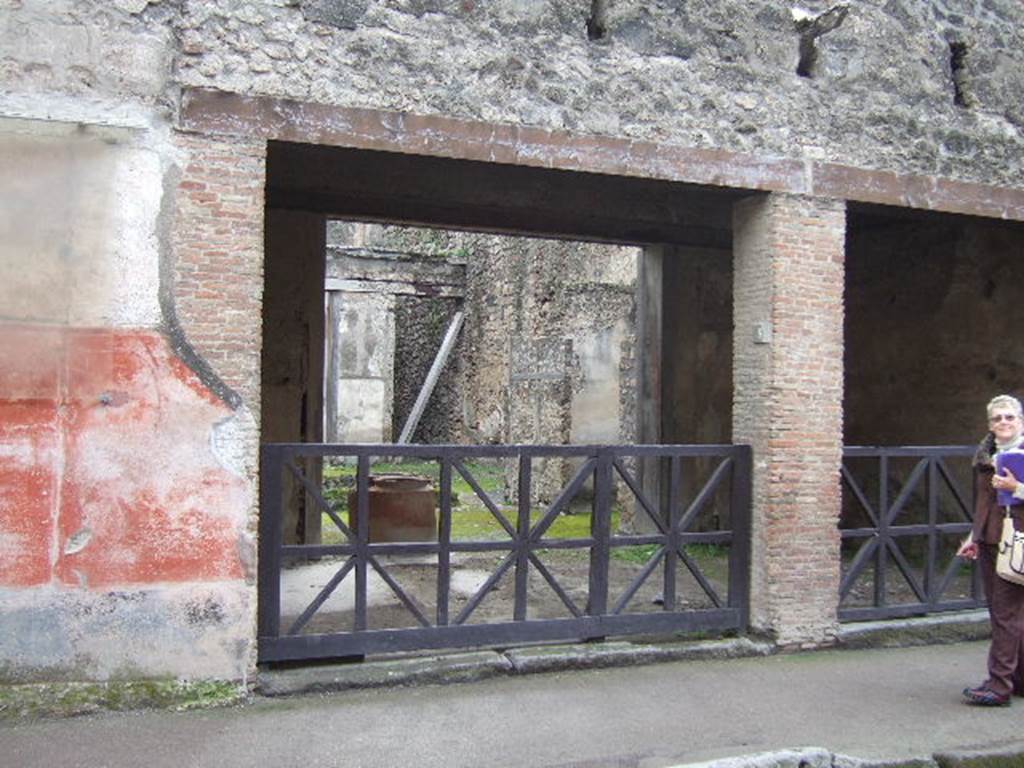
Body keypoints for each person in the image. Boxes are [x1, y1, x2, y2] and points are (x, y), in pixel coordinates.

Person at [957, 394, 1024, 706]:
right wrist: (973, 536)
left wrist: (1017, 488)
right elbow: (983, 503)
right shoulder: (985, 456)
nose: (1004, 423)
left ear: (1020, 421)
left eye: (1009, 417)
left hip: (1019, 542)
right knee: (1006, 613)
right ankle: (1017, 680)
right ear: (990, 425)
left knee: (1005, 614)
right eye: (997, 418)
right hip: (990, 540)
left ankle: (998, 687)